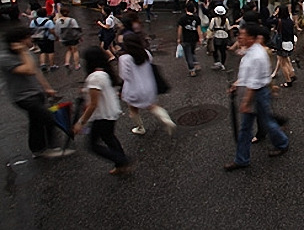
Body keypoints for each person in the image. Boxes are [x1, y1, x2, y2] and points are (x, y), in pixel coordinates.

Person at [224, 24, 290, 171]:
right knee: (250, 126)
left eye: (242, 35)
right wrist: (237, 84)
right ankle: (242, 159)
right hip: (252, 91)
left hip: (257, 94)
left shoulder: (257, 55)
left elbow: (254, 84)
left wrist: (246, 103)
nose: (239, 38)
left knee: (265, 123)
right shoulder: (250, 51)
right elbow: (247, 75)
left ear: (252, 38)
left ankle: (282, 143)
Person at [0, 27, 72, 158]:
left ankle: (37, 149)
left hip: (36, 93)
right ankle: (51, 147)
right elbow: (29, 70)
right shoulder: (6, 58)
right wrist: (23, 51)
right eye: (28, 37)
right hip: (23, 97)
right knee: (49, 118)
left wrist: (47, 88)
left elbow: (36, 72)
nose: (31, 39)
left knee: (36, 122)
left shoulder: (26, 53)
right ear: (19, 41)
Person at [73, 46, 132, 175]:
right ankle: (121, 164)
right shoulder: (104, 72)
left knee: (93, 145)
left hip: (102, 115)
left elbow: (93, 104)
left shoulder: (94, 77)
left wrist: (81, 122)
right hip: (110, 112)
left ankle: (122, 160)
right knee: (109, 137)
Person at [119, 33, 176, 136]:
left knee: (133, 109)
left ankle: (140, 128)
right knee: (152, 106)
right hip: (149, 86)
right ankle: (166, 119)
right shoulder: (146, 53)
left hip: (133, 89)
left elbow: (124, 76)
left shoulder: (124, 59)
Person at [273, 5, 296, 88]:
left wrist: (274, 15)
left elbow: (268, 21)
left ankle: (288, 81)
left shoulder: (279, 21)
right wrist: (293, 44)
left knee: (283, 64)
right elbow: (292, 33)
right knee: (286, 60)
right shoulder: (290, 21)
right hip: (289, 43)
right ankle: (292, 74)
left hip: (281, 44)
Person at [177, 1, 202, 77]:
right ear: (194, 9)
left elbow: (180, 29)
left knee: (188, 55)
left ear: (186, 9)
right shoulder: (196, 18)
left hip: (186, 39)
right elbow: (198, 29)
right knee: (192, 51)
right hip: (194, 38)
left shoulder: (182, 18)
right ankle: (196, 63)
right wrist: (200, 37)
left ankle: (192, 69)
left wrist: (178, 38)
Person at [55, 6, 82, 71]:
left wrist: (59, 37)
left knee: (69, 49)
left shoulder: (58, 21)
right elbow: (76, 28)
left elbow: (57, 30)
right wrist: (79, 37)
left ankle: (67, 62)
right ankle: (76, 65)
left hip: (64, 38)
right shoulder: (72, 20)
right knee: (75, 51)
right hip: (72, 37)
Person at [208, 5, 231, 70]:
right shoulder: (226, 19)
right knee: (223, 51)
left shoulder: (213, 19)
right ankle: (223, 64)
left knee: (215, 50)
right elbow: (228, 28)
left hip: (216, 36)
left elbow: (210, 28)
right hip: (224, 36)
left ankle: (217, 62)